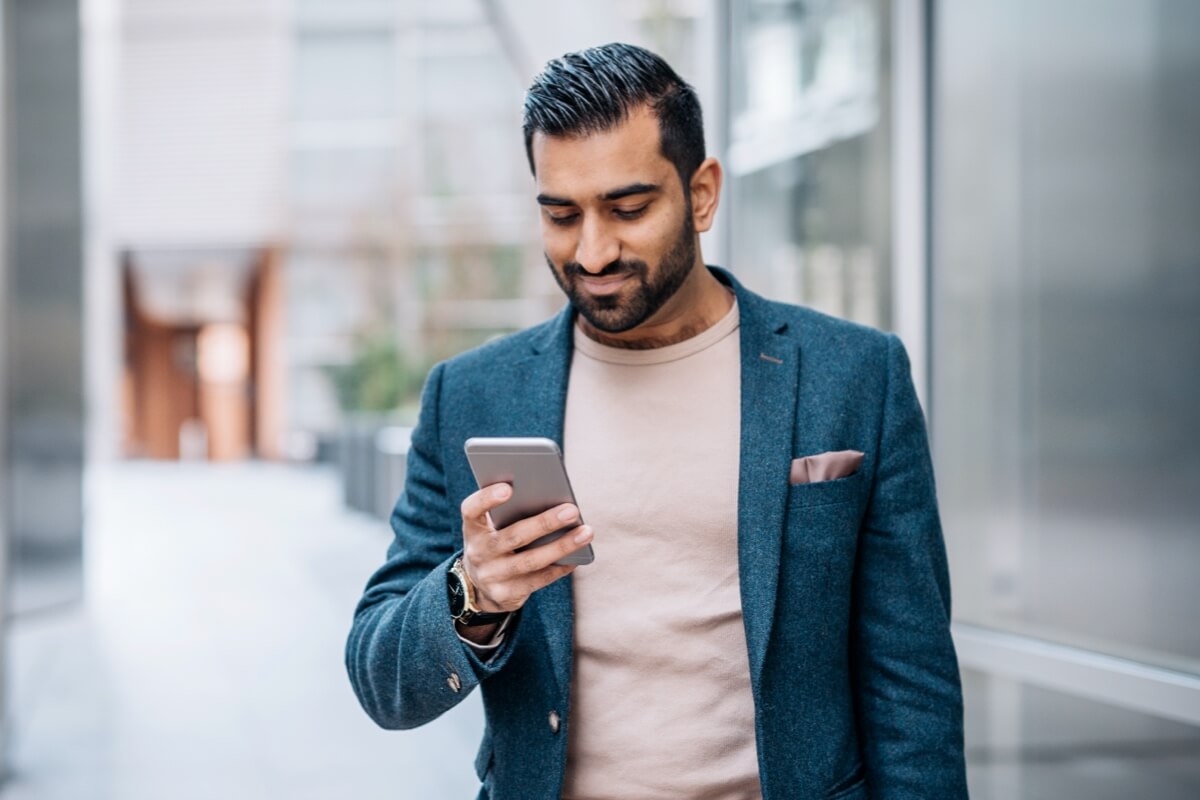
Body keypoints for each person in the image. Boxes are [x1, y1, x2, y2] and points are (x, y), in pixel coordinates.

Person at [346, 42, 967, 800]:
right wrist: (473, 591)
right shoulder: (473, 396)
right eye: (561, 215)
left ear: (702, 193)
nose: (593, 250)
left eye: (628, 209)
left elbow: (912, 685)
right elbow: (382, 683)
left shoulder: (855, 377)